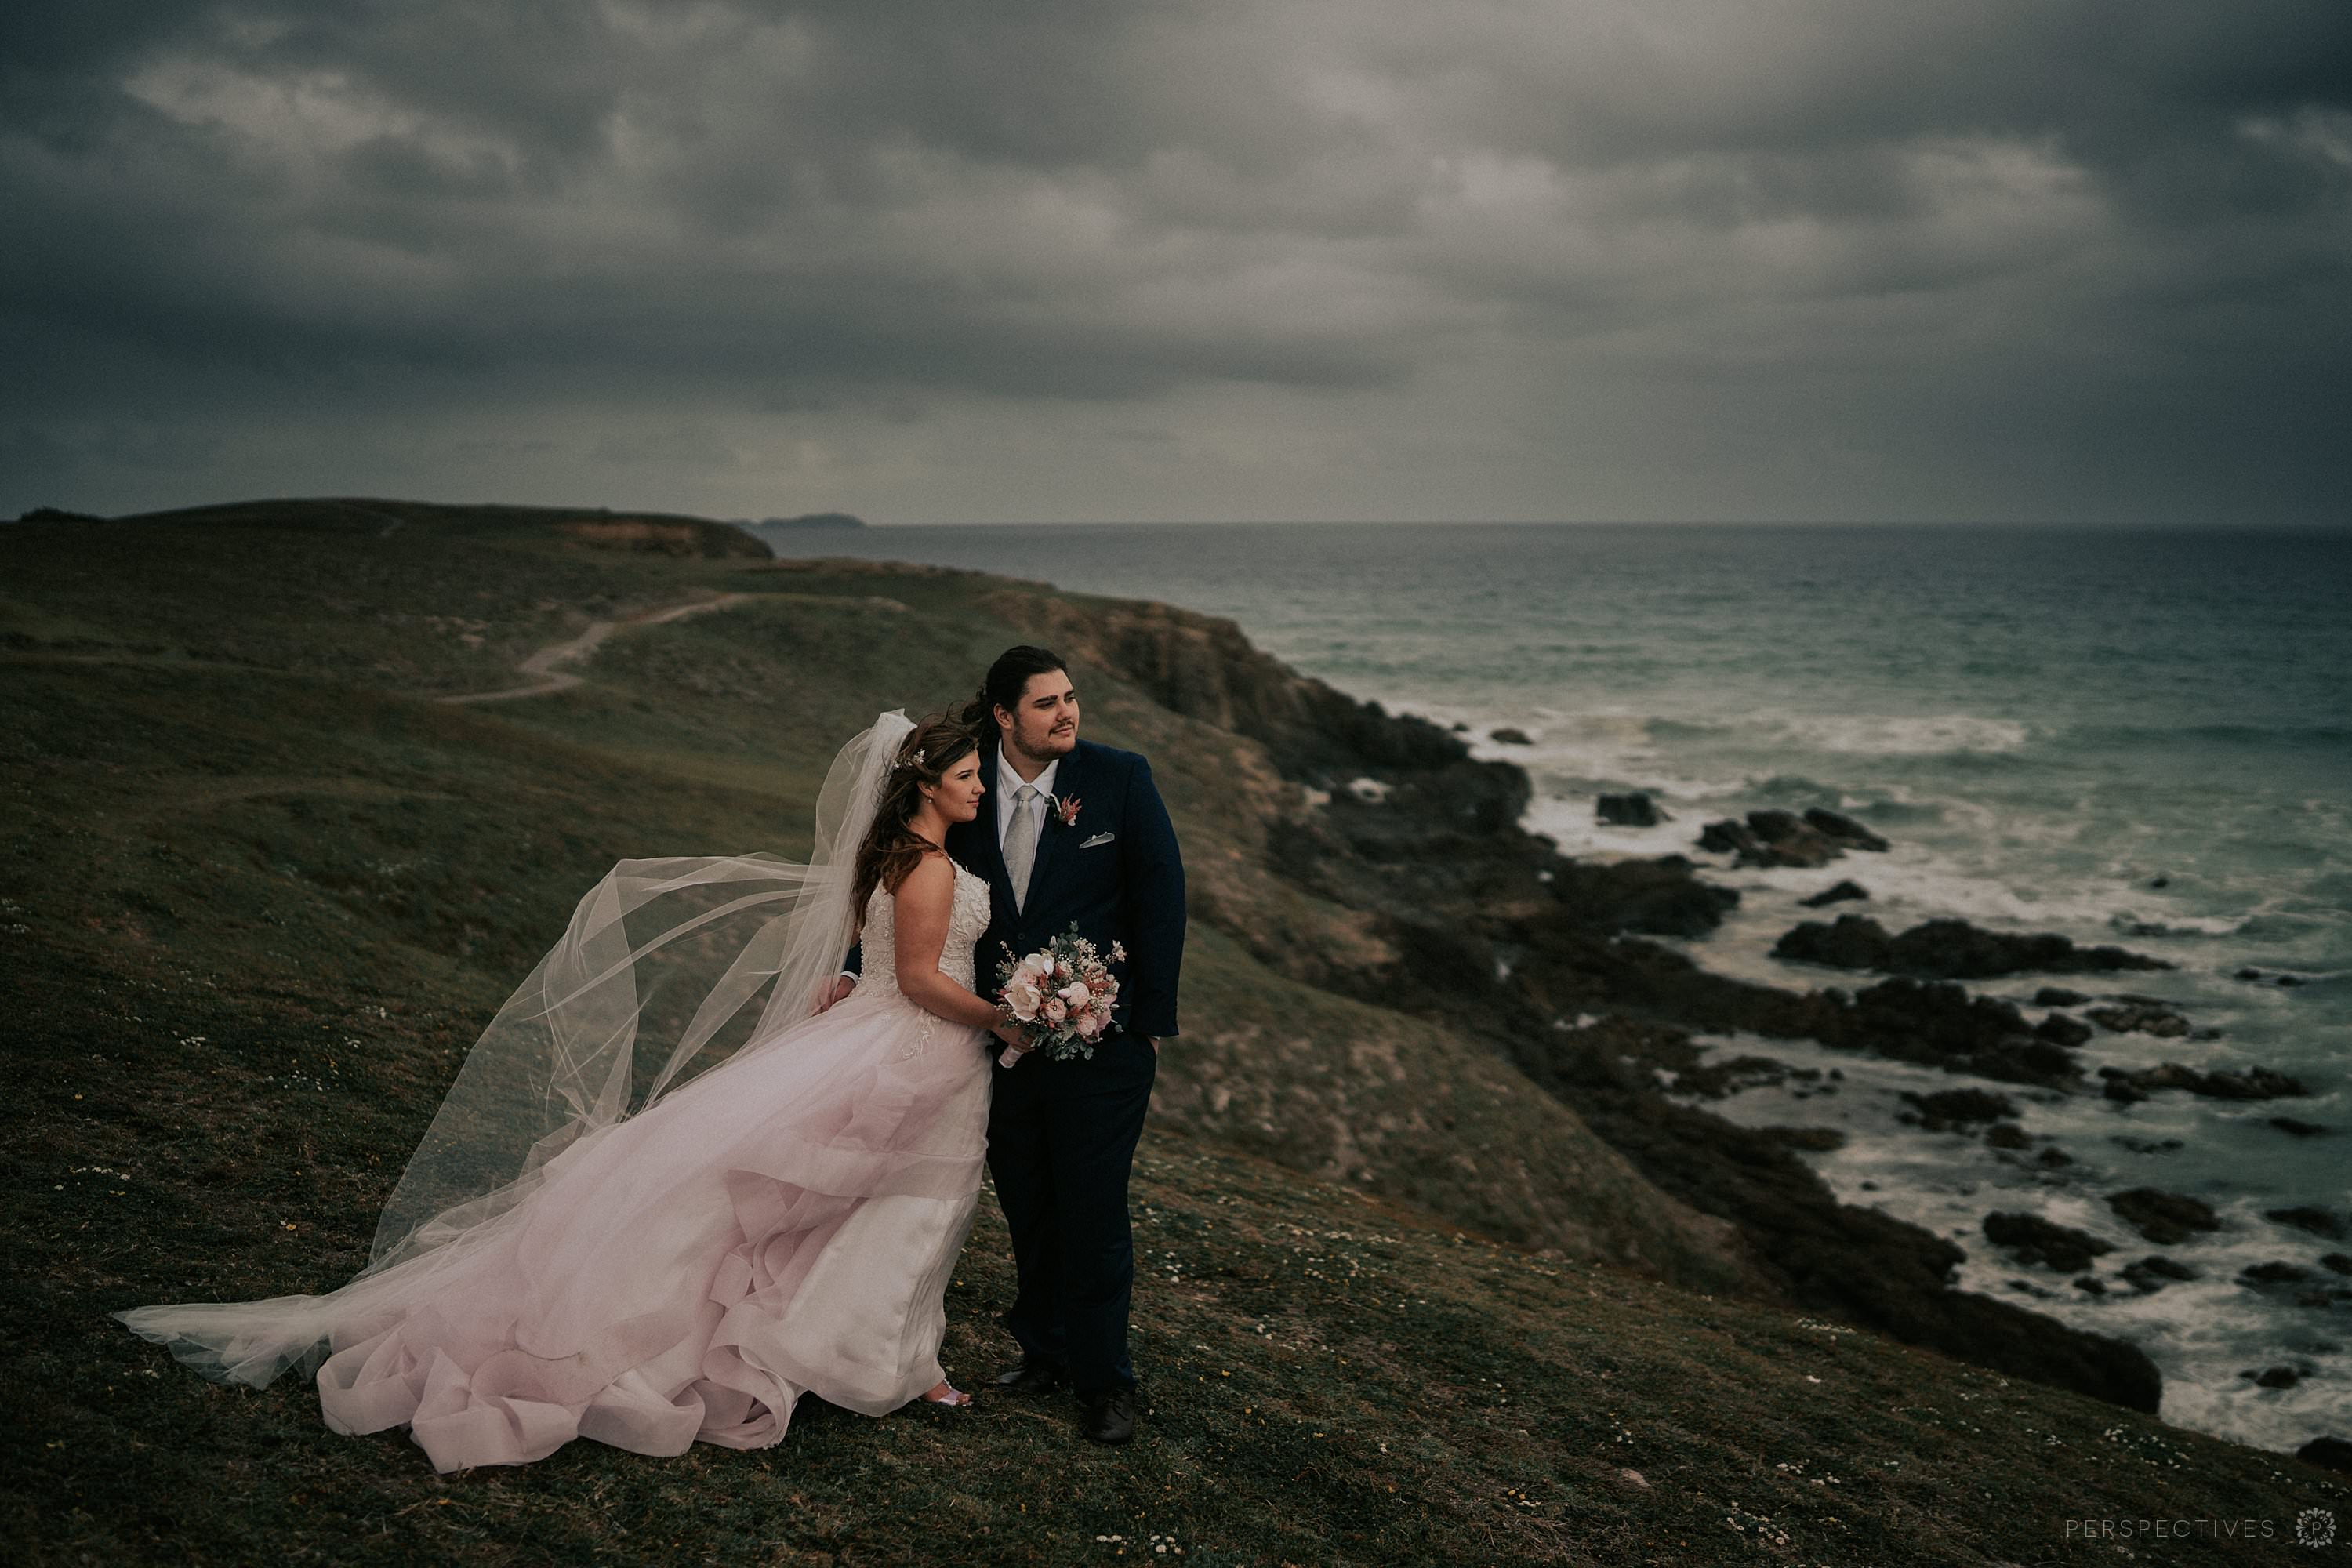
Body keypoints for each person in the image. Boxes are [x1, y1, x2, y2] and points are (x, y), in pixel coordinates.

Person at [115, 710, 1029, 1472]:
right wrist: (1002, 1016)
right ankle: (887, 1361)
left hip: (884, 1040)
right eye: (965, 775)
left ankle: (878, 1350)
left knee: (860, 1211)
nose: (978, 786)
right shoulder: (931, 866)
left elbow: (879, 966)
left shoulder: (900, 857)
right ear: (925, 784)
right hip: (911, 1044)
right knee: (904, 1210)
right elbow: (914, 977)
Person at [827, 646, 1185, 1444]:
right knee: (1028, 1200)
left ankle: (1105, 1381)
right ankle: (1045, 1350)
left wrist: (1147, 1022)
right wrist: (858, 966)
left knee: (1092, 1210)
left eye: (1071, 697)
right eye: (1046, 703)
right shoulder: (963, 781)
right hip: (993, 1041)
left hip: (1104, 1042)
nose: (1067, 713)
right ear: (1002, 714)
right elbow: (899, 869)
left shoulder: (1121, 777)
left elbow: (1162, 897)